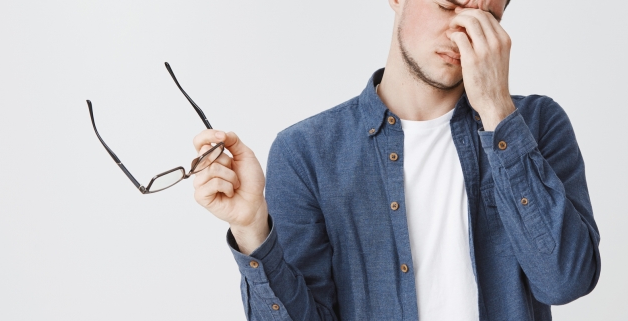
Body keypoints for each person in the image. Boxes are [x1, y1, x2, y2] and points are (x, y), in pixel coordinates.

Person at [190, 0, 600, 319]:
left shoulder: (535, 125)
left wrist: (496, 111)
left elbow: (565, 281)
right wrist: (250, 229)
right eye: (448, 5)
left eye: (488, 19)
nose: (464, 34)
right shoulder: (308, 152)